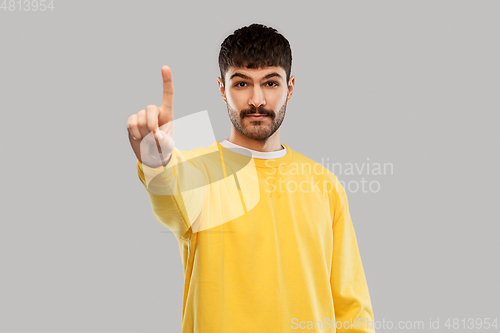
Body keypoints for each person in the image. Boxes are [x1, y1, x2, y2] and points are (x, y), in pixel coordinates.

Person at [126, 23, 376, 333]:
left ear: (291, 87)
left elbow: (352, 307)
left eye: (271, 83)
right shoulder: (199, 169)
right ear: (222, 89)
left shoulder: (324, 183)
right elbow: (172, 199)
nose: (257, 100)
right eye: (242, 84)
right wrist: (157, 159)